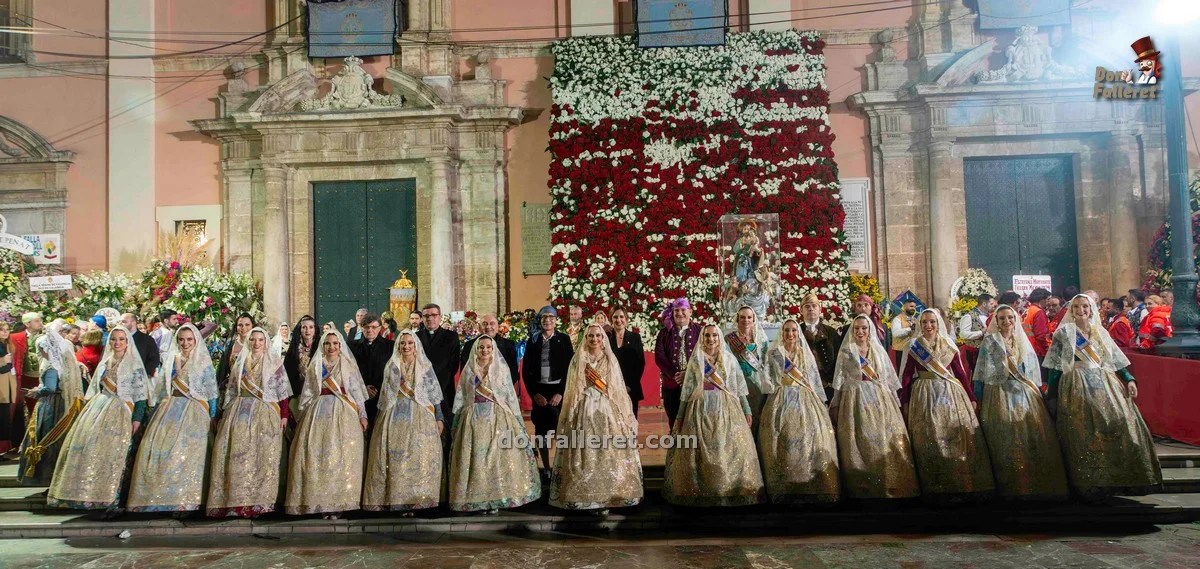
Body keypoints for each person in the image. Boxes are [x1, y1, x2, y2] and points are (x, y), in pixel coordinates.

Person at [1045, 295, 1161, 497]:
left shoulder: (1101, 331)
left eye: (1085, 306)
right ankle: (1088, 481)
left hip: (1104, 383)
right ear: (1071, 310)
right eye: (1076, 306)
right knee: (1082, 430)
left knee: (1119, 422)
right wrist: (1051, 395)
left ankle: (1117, 477)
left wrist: (1129, 379)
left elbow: (1113, 359)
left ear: (1092, 309)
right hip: (1076, 384)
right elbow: (1055, 366)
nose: (1081, 310)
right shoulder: (1063, 333)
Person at [47, 326, 149, 517]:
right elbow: (95, 388)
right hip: (100, 409)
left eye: (121, 339)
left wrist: (137, 419)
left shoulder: (134, 365)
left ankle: (115, 501)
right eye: (113, 339)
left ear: (127, 342)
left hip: (123, 412)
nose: (117, 343)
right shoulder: (104, 363)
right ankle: (93, 497)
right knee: (96, 453)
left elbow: (141, 396)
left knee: (118, 457)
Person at [972, 305, 1068, 501]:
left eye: (1010, 318)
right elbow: (980, 372)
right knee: (1003, 434)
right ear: (996, 322)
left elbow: (1030, 368)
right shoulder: (991, 341)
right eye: (1002, 319)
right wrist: (977, 397)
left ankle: (1029, 479)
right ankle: (1006, 481)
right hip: (998, 392)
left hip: (1022, 391)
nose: (1006, 322)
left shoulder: (1022, 341)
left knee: (1027, 435)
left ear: (1015, 320)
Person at [662, 324, 765, 507]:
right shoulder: (696, 361)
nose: (711, 339)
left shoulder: (729, 359)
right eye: (707, 336)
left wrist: (747, 409)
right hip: (699, 408)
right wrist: (679, 416)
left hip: (726, 408)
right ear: (703, 338)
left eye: (714, 336)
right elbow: (686, 392)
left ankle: (729, 490)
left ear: (719, 338)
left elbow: (738, 388)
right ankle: (703, 491)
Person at [899, 309, 993, 502]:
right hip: (924, 394)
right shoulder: (914, 345)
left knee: (953, 436)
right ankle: (934, 485)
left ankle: (957, 482)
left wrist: (971, 396)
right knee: (929, 436)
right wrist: (905, 401)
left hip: (949, 393)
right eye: (924, 322)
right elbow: (907, 375)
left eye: (932, 322)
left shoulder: (949, 344)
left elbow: (959, 372)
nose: (928, 326)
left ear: (938, 323)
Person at [550, 323, 643, 513]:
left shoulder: (609, 359)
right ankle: (585, 496)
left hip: (606, 409)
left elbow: (615, 386)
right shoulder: (578, 360)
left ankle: (609, 495)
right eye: (591, 336)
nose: (594, 339)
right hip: (584, 407)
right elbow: (573, 387)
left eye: (598, 336)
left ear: (603, 339)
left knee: (607, 450)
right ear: (586, 338)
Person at [127, 324, 218, 515]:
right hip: (171, 409)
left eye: (189, 339)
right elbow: (162, 388)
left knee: (191, 452)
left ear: (196, 341)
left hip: (195, 411)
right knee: (163, 450)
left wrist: (212, 415)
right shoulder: (171, 360)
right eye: (182, 339)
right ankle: (161, 497)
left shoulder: (203, 361)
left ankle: (188, 499)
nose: (185, 343)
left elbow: (211, 393)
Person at [829, 316, 919, 500]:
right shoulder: (846, 352)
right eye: (857, 329)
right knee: (859, 442)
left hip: (879, 400)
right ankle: (862, 488)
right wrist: (835, 404)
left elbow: (887, 379)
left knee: (882, 439)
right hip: (854, 399)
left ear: (870, 330)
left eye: (864, 328)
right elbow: (839, 381)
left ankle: (888, 483)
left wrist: (896, 402)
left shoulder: (878, 351)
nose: (860, 332)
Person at [448, 336, 541, 513]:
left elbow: (509, 396)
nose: (484, 350)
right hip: (473, 419)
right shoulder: (469, 370)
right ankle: (479, 499)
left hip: (498, 419)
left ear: (493, 349)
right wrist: (457, 422)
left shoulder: (501, 369)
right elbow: (461, 397)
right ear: (476, 349)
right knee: (477, 459)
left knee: (497, 459)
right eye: (481, 347)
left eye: (488, 347)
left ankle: (498, 497)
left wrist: (517, 421)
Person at [207, 327, 292, 518]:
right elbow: (231, 389)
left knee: (261, 456)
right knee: (237, 455)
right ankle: (235, 503)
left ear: (266, 342)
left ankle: (261, 503)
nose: (256, 343)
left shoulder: (274, 363)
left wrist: (284, 414)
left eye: (260, 340)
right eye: (253, 340)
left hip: (266, 412)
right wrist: (223, 413)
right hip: (239, 412)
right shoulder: (240, 362)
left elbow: (282, 392)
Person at [286, 329, 369, 519]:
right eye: (327, 344)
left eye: (335, 344)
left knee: (342, 458)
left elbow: (356, 393)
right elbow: (307, 392)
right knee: (319, 458)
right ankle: (320, 502)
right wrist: (302, 415)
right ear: (322, 346)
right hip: (318, 414)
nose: (331, 347)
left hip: (344, 413)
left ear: (340, 346)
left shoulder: (348, 364)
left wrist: (362, 415)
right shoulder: (316, 365)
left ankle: (339, 502)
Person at [758, 318, 839, 504]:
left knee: (807, 439)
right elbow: (767, 377)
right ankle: (785, 485)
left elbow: (813, 379)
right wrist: (773, 386)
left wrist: (821, 401)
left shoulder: (805, 353)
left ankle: (808, 483)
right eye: (787, 330)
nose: (790, 334)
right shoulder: (774, 353)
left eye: (794, 330)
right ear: (782, 333)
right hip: (780, 398)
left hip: (804, 398)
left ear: (798, 333)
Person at [363, 330, 445, 513]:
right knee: (396, 457)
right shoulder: (392, 366)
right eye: (403, 343)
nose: (406, 346)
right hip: (394, 416)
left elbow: (434, 395)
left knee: (417, 457)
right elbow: (385, 395)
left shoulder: (425, 366)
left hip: (420, 416)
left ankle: (417, 499)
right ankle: (397, 498)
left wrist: (439, 417)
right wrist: (378, 420)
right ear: (398, 346)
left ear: (416, 346)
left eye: (410, 343)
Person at [17, 323, 86, 485]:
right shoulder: (64, 363)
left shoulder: (51, 366)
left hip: (51, 406)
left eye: (40, 349)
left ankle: (47, 476)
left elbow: (49, 388)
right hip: (65, 403)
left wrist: (35, 392)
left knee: (50, 438)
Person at [522, 306, 573, 473]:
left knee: (561, 428)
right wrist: (535, 394)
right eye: (544, 317)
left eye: (551, 317)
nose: (547, 320)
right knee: (541, 431)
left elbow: (569, 369)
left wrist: (560, 393)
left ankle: (560, 465)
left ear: (556, 320)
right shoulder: (533, 340)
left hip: (558, 390)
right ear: (540, 320)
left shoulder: (564, 339)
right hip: (540, 391)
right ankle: (546, 467)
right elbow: (526, 371)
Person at [415, 303, 460, 446]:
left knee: (445, 428)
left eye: (434, 315)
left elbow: (453, 366)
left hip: (444, 388)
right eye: (426, 316)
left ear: (439, 317)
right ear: (422, 318)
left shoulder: (451, 336)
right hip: (420, 389)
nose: (430, 319)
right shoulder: (415, 337)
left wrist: (437, 385)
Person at [653, 298, 701, 429]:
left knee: (694, 421)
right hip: (671, 385)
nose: (680, 313)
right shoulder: (664, 333)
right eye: (676, 310)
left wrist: (689, 374)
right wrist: (676, 375)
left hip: (694, 384)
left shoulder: (700, 331)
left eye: (683, 310)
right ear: (672, 313)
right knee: (674, 421)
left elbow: (704, 356)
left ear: (690, 312)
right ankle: (676, 447)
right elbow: (659, 357)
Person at [725, 305, 770, 433]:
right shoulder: (729, 339)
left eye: (749, 317)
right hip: (737, 386)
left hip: (758, 385)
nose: (746, 320)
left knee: (758, 419)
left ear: (754, 319)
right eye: (742, 317)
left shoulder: (761, 340)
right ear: (737, 319)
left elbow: (767, 364)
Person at [348, 313, 392, 424]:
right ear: (362, 328)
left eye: (373, 327)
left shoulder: (390, 347)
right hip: (358, 396)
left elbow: (392, 372)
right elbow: (349, 372)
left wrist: (377, 389)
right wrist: (364, 388)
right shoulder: (352, 346)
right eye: (366, 327)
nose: (370, 330)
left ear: (380, 328)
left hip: (382, 396)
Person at [460, 313, 520, 387]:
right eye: (484, 324)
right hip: (476, 391)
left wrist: (500, 389)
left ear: (498, 327)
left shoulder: (508, 345)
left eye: (492, 323)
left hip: (501, 391)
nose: (488, 327)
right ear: (479, 327)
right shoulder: (469, 345)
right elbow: (464, 372)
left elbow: (513, 371)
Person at [798, 294, 839, 401]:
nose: (811, 309)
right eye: (807, 306)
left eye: (814, 306)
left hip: (826, 384)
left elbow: (839, 360)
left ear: (820, 309)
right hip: (803, 385)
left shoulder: (831, 332)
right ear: (801, 310)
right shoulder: (795, 332)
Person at [607, 308, 646, 418]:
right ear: (611, 320)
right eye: (615, 317)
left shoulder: (635, 337)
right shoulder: (606, 338)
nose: (618, 320)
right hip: (611, 388)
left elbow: (640, 363)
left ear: (626, 320)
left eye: (621, 317)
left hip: (631, 388)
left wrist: (629, 386)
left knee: (631, 421)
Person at [11, 312, 45, 419]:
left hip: (42, 377)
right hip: (24, 378)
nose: (41, 323)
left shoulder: (47, 337)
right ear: (27, 324)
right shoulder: (14, 338)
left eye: (41, 320)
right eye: (37, 321)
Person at [216, 314, 256, 391]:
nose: (243, 328)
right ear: (236, 328)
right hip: (233, 388)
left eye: (247, 324)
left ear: (253, 326)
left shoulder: (258, 344)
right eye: (240, 325)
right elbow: (223, 368)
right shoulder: (230, 345)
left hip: (254, 389)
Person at [957, 293, 995, 371]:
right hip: (974, 353)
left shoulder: (991, 316)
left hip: (988, 351)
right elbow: (963, 334)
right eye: (991, 303)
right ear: (984, 304)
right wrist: (981, 332)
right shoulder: (969, 316)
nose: (993, 306)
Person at [283, 316, 318, 399]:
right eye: (304, 327)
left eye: (311, 327)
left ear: (315, 330)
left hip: (316, 392)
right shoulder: (294, 349)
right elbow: (287, 372)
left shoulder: (320, 348)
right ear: (300, 330)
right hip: (297, 392)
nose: (307, 330)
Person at [122, 313, 163, 382]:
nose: (121, 324)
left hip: (139, 380)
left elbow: (154, 359)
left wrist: (142, 373)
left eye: (124, 321)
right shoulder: (118, 338)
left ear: (133, 322)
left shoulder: (147, 340)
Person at [890, 292, 921, 367]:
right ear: (904, 307)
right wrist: (909, 329)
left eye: (914, 307)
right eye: (911, 306)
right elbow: (895, 334)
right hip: (900, 351)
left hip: (913, 352)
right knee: (902, 373)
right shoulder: (897, 319)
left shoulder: (915, 320)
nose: (913, 308)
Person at [1024, 289, 1053, 358]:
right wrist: (1048, 351)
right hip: (1038, 351)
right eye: (1047, 299)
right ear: (1042, 299)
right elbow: (1041, 336)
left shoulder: (1027, 310)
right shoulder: (1039, 312)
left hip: (1027, 348)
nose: (1048, 302)